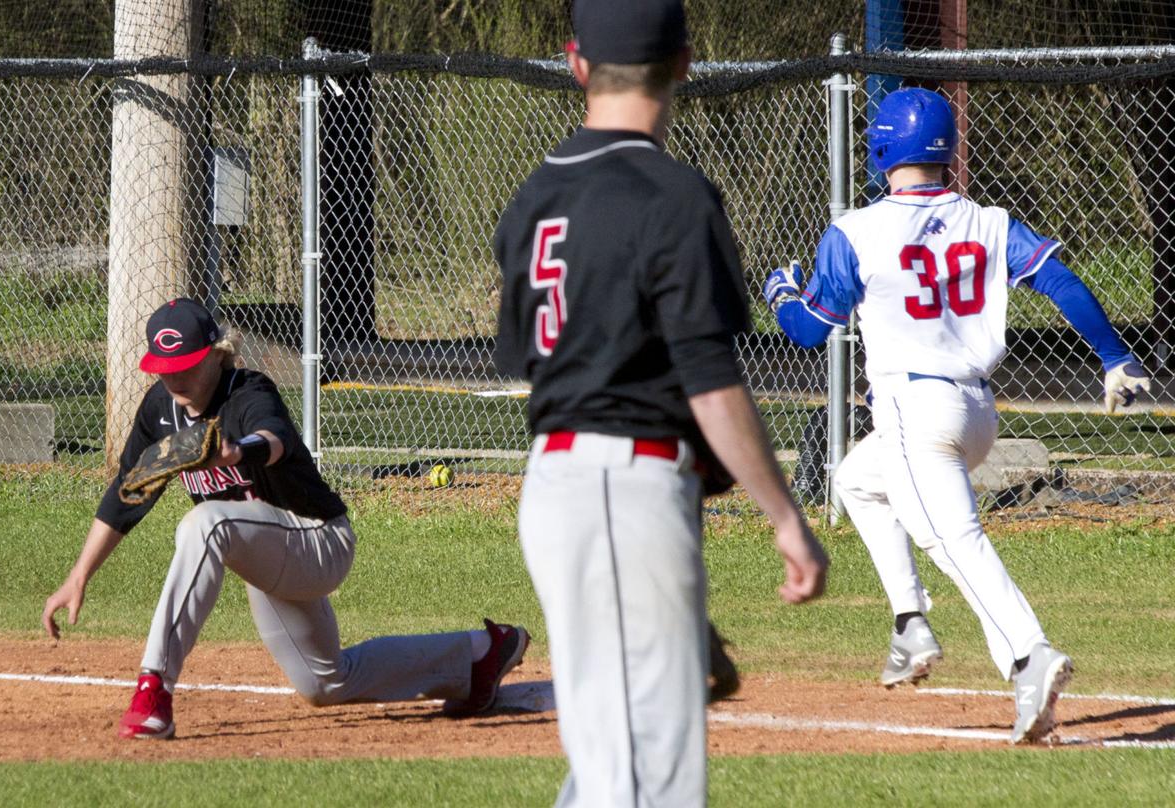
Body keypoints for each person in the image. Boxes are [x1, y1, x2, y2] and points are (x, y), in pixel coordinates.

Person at [494, 2, 828, 804]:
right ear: (684, 63)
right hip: (625, 490)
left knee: (610, 761)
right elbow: (710, 382)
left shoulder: (532, 197)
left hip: (559, 486)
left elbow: (538, 364)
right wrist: (786, 518)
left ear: (576, 64)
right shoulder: (675, 196)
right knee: (650, 779)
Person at [763, 87, 1152, 744]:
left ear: (881, 147)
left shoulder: (855, 230)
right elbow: (1061, 282)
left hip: (918, 412)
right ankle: (909, 625)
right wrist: (1116, 358)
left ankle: (1029, 656)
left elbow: (806, 330)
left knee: (953, 542)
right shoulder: (990, 220)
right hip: (974, 412)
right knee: (858, 480)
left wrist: (780, 292)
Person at [42, 298, 529, 739]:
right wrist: (77, 576)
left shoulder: (248, 390)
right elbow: (128, 492)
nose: (174, 379)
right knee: (325, 681)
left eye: (186, 365)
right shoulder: (160, 409)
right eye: (164, 368)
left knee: (204, 524)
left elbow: (273, 439)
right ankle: (478, 656)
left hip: (318, 539)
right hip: (264, 554)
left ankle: (153, 690)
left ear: (217, 352)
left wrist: (236, 451)